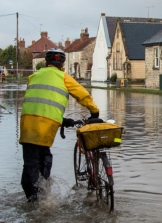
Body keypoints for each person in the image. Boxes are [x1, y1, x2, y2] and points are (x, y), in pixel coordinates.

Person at [19, 48, 99, 203]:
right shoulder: (64, 77)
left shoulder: (33, 76)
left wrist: (61, 120)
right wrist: (94, 112)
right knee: (43, 160)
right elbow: (82, 94)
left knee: (31, 161)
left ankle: (33, 198)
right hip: (46, 126)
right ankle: (39, 197)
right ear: (62, 63)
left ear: (46, 62)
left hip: (27, 124)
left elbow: (39, 103)